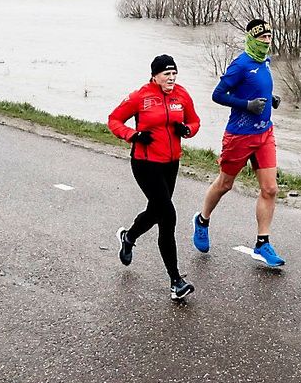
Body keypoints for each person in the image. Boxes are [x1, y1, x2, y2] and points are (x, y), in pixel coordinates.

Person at [192, 19, 286, 267]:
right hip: (240, 135)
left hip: (264, 133)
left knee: (270, 189)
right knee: (225, 184)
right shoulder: (240, 65)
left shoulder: (265, 60)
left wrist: (269, 98)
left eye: (269, 37)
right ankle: (202, 220)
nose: (266, 42)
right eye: (262, 38)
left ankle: (262, 243)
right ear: (251, 39)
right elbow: (218, 94)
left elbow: (257, 87)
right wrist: (247, 105)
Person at [108, 54, 201, 301]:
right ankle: (176, 281)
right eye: (166, 74)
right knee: (168, 216)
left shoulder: (181, 95)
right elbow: (114, 120)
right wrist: (133, 135)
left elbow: (194, 121)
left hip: (171, 163)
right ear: (155, 75)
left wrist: (188, 130)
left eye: (174, 74)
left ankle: (129, 237)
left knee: (157, 211)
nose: (171, 78)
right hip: (145, 163)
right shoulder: (140, 96)